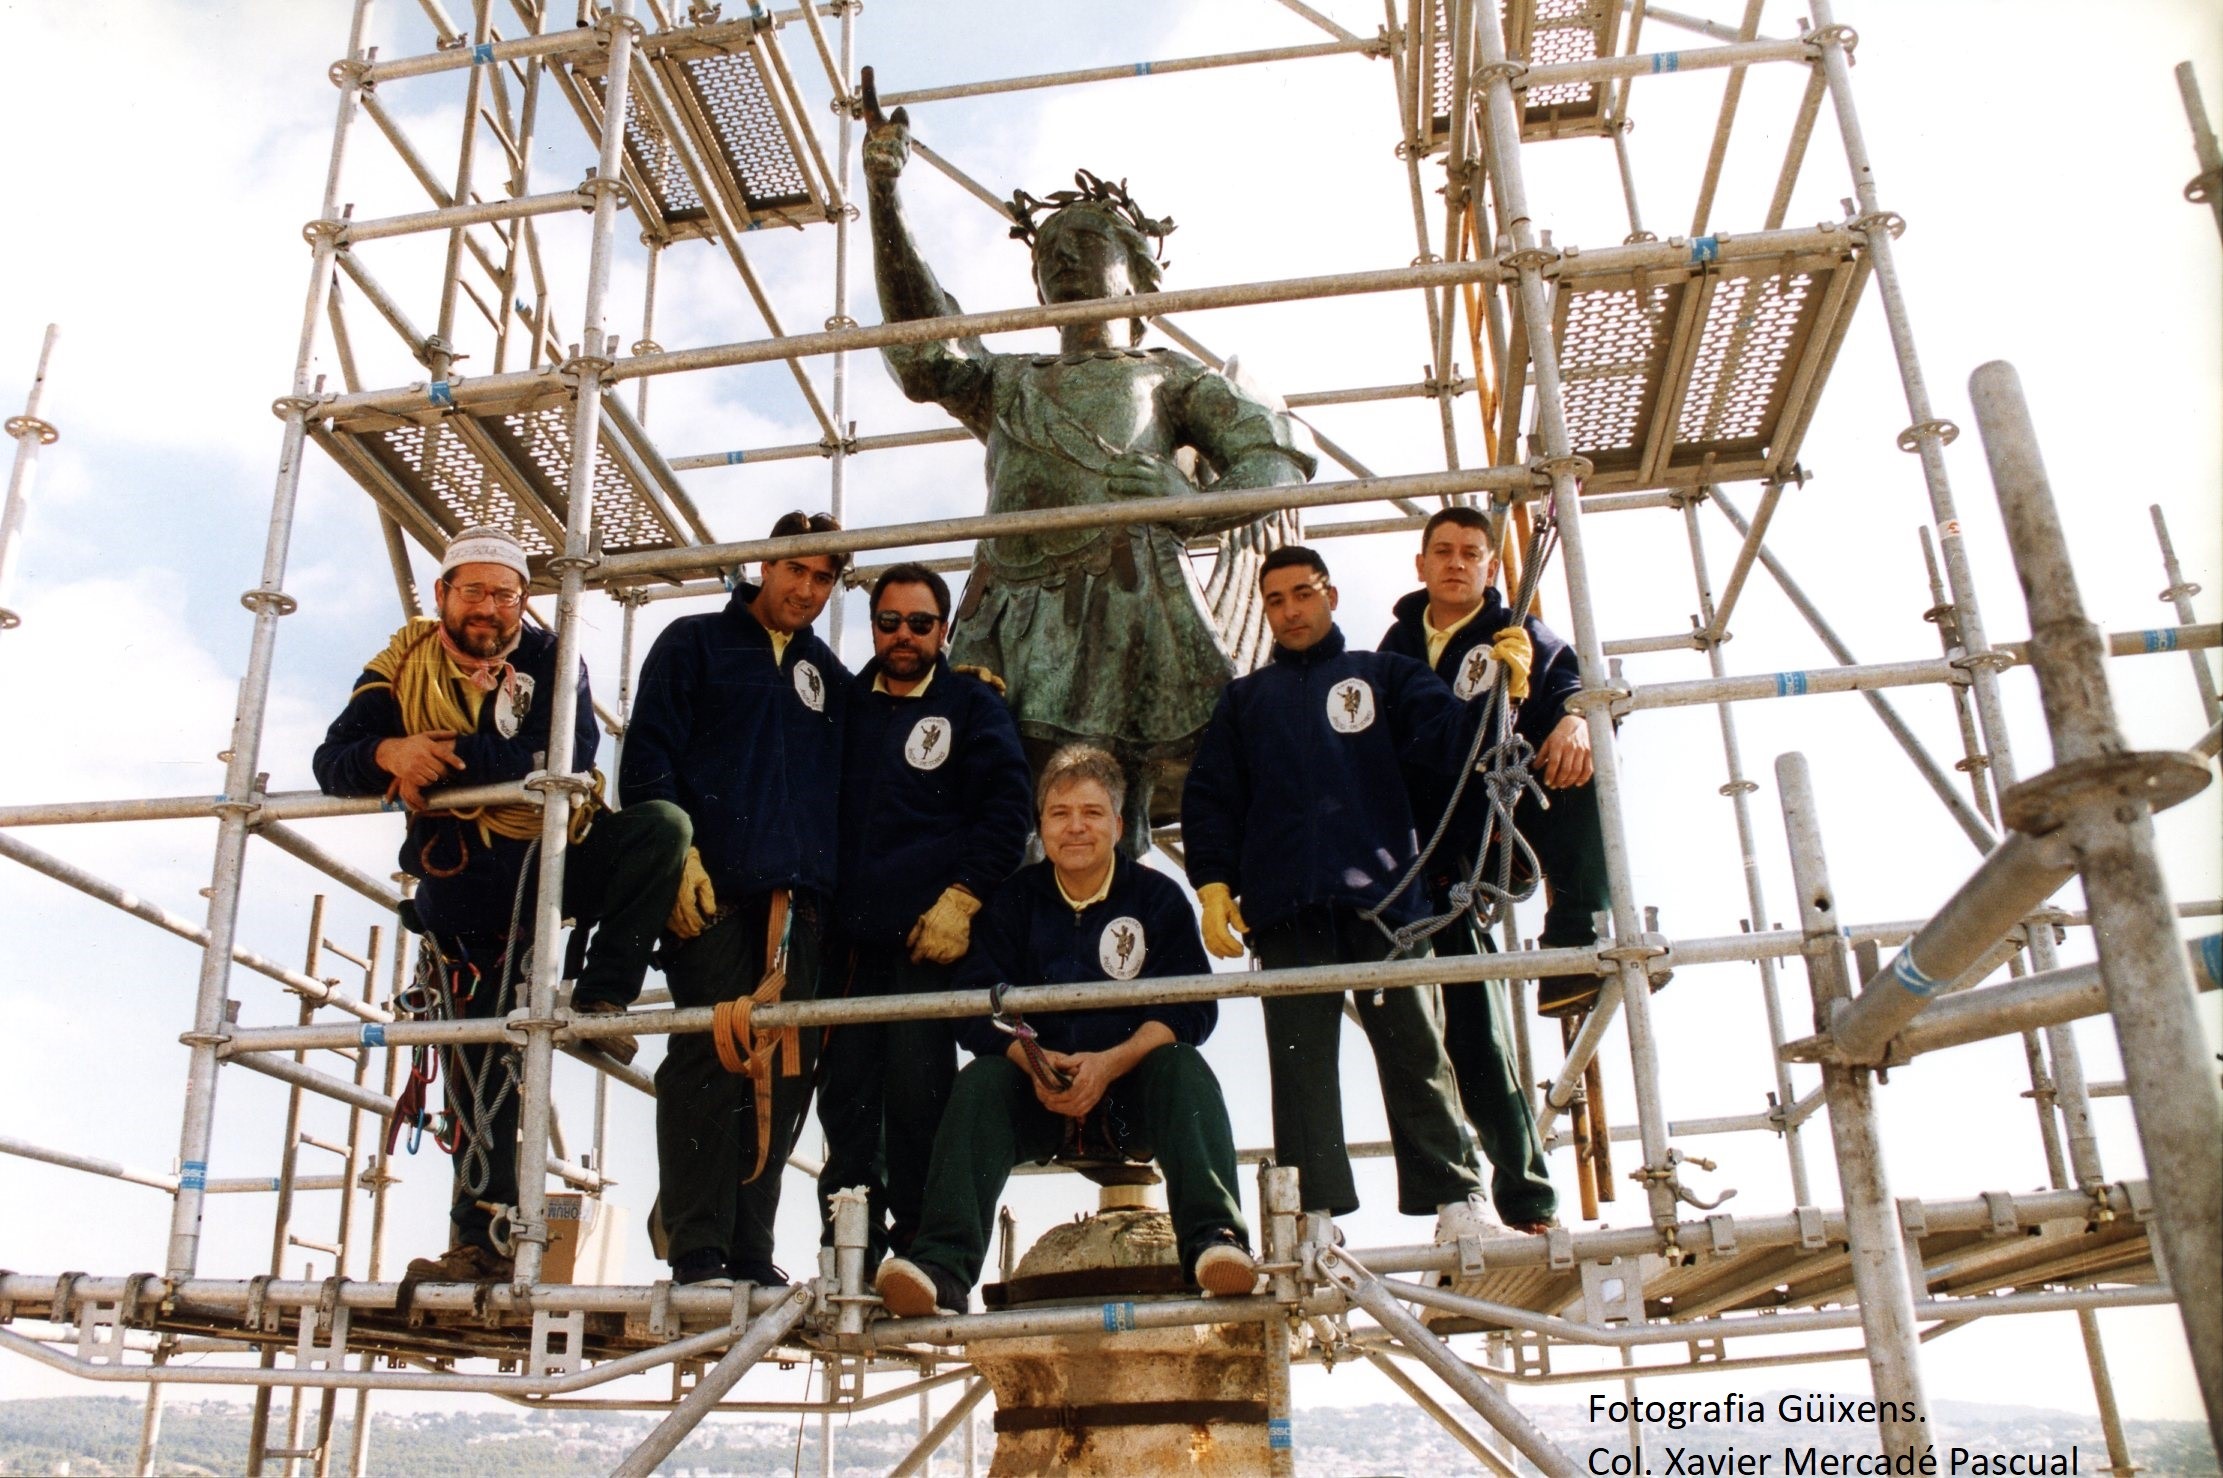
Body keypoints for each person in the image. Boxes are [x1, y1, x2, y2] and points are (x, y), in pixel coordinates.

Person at [860, 70, 1317, 845]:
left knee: (1110, 806)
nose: (1063, 261)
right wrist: (884, 199)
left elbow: (1275, 461)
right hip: (1008, 603)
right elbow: (923, 347)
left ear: (1138, 270)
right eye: (1049, 253)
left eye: (1085, 244)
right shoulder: (1007, 382)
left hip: (1124, 599)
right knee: (993, 802)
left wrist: (1184, 494)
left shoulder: (1168, 377)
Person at [313, 525, 690, 1284]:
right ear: (443, 595)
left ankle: (606, 997)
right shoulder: (399, 664)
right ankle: (477, 1244)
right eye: (475, 591)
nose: (490, 607)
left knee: (660, 829)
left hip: (556, 856)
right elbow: (332, 761)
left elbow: (565, 755)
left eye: (506, 594)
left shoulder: (549, 659)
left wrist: (433, 756)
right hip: (468, 891)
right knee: (480, 1079)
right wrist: (387, 753)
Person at [875, 745, 1256, 1317]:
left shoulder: (1156, 898)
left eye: (1092, 812)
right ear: (1041, 824)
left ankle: (1216, 1245)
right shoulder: (1013, 902)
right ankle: (942, 1270)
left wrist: (1112, 1063)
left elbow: (1193, 1008)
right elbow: (974, 1007)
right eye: (1059, 813)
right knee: (980, 1081)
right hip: (1040, 1093)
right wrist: (1032, 1061)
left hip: (1130, 1097)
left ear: (1119, 825)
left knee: (1183, 1066)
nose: (1075, 827)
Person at [1180, 545, 1489, 1226]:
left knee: (1416, 1050)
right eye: (1275, 600)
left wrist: (1493, 686)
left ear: (1331, 596)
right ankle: (1311, 1214)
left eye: (1303, 593)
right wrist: (1211, 884)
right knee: (1300, 1069)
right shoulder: (1244, 701)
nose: (1290, 611)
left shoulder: (1386, 676)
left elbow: (1454, 747)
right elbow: (1209, 799)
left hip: (1386, 900)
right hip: (1284, 908)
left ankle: (1456, 1198)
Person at [620, 511, 851, 1288]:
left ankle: (751, 1252)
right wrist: (677, 858)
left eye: (824, 577)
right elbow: (647, 751)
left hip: (802, 902)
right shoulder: (693, 642)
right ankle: (696, 1250)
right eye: (796, 570)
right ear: (763, 564)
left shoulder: (828, 674)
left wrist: (964, 681)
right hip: (712, 892)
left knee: (786, 1072)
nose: (808, 589)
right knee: (712, 1054)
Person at [818, 563, 1034, 1274]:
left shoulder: (972, 706)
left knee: (918, 1097)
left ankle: (913, 1252)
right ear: (873, 626)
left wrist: (963, 897)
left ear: (943, 630)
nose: (903, 636)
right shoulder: (841, 707)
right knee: (845, 1101)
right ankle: (845, 1250)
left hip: (926, 941)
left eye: (920, 623)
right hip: (847, 942)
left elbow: (1007, 809)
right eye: (888, 622)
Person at [1378, 505, 1588, 1231]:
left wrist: (1562, 711)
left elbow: (1573, 684)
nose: (1456, 563)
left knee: (1482, 1042)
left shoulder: (1517, 631)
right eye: (1442, 551)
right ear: (1421, 565)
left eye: (1472, 553)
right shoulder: (1397, 649)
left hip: (1489, 846)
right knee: (1443, 1043)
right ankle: (1461, 1197)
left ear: (1490, 567)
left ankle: (1574, 935)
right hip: (1420, 866)